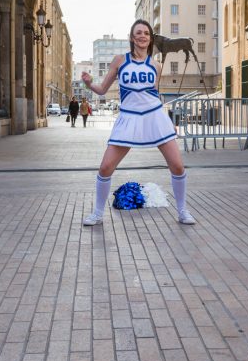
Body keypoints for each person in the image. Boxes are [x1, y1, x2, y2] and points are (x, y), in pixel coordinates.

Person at [80, 20, 195, 226]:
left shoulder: (155, 65)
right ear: (132, 37)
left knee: (177, 166)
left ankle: (183, 211)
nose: (142, 36)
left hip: (154, 116)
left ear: (150, 38)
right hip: (129, 117)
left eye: (146, 33)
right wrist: (89, 84)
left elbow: (154, 95)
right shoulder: (119, 60)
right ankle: (97, 213)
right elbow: (103, 90)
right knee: (106, 167)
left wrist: (168, 123)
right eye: (138, 33)